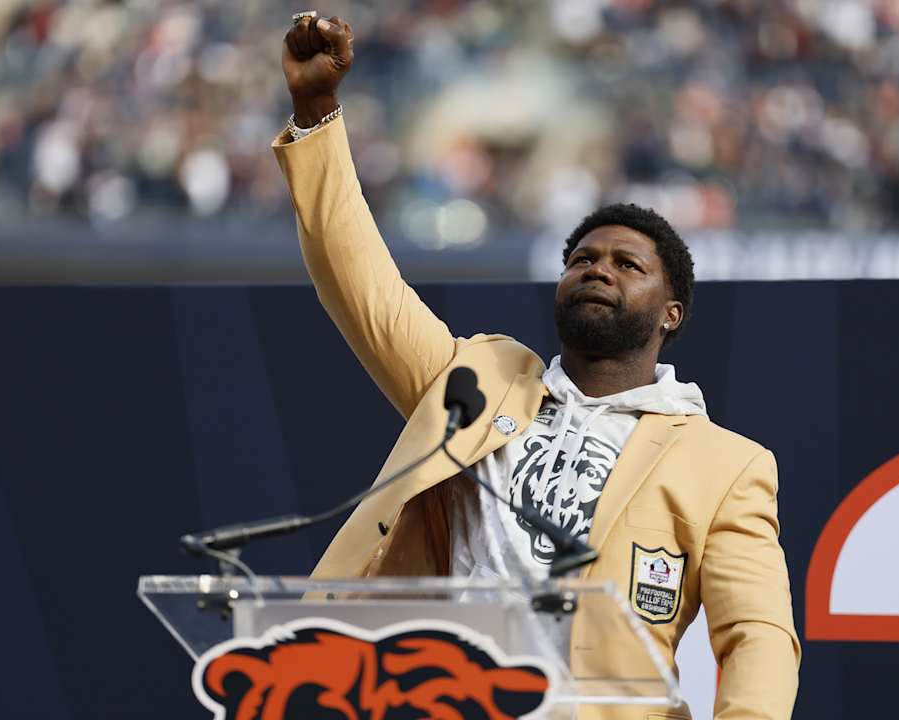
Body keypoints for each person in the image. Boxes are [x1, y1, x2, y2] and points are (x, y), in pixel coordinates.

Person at [272, 13, 799, 719]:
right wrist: (316, 117)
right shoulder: (476, 383)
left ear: (671, 313)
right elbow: (359, 282)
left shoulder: (724, 465)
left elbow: (757, 637)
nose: (596, 270)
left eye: (625, 264)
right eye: (581, 259)